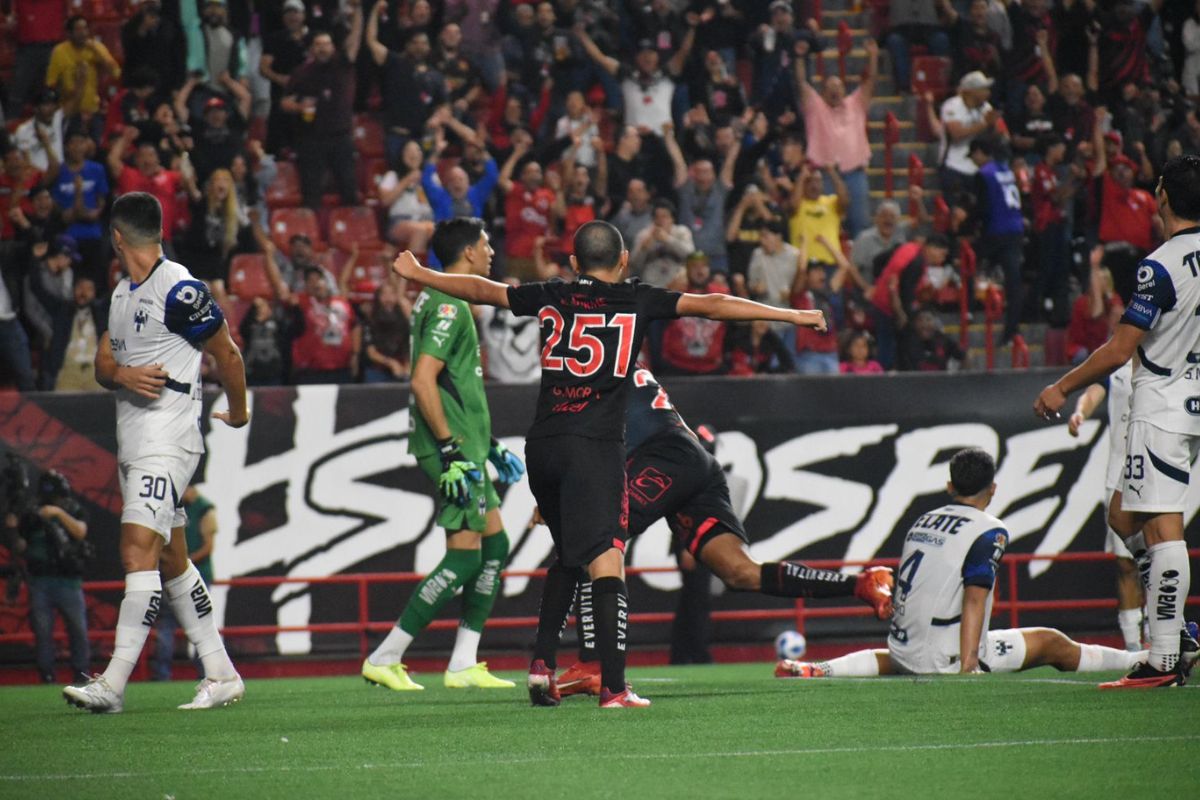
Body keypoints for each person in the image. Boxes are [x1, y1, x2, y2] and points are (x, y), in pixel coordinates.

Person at [391, 220, 828, 708]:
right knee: (607, 560)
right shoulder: (635, 299)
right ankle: (615, 689)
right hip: (593, 445)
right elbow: (715, 305)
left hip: (543, 444)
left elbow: (481, 289)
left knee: (567, 557)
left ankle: (541, 667)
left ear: (574, 264)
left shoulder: (552, 293)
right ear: (623, 261)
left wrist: (420, 273)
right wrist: (792, 314)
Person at [535, 367, 894, 696]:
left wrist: (557, 494)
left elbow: (591, 447)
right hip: (692, 462)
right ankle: (861, 584)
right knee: (741, 571)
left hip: (663, 457)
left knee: (595, 540)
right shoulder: (617, 356)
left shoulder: (592, 371)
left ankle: (592, 663)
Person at [63, 192, 249, 713]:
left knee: (136, 548)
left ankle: (113, 684)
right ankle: (222, 672)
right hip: (135, 438)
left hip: (167, 438)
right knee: (171, 557)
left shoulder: (180, 289)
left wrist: (238, 410)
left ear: (118, 237)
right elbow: (105, 362)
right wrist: (121, 374)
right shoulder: (123, 293)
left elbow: (227, 352)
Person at [1034, 155, 1200, 688]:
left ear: (1163, 198)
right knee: (1123, 518)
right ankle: (1178, 634)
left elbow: (1120, 348)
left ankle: (1163, 659)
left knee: (1160, 526)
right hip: (1193, 401)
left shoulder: (1161, 266)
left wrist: (1063, 385)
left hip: (1165, 405)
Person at [775, 448, 1153, 680]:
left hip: (903, 646)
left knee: (905, 660)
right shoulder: (990, 529)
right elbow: (975, 597)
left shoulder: (922, 520)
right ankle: (1142, 658)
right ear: (993, 489)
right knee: (1052, 644)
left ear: (950, 486)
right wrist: (969, 665)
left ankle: (821, 669)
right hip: (950, 654)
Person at [363, 219, 522, 692]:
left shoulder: (442, 298)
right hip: (451, 450)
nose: (492, 251)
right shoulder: (451, 304)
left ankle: (463, 662)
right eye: (487, 244)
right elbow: (422, 379)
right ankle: (385, 655)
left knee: (494, 545)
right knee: (465, 558)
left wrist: (487, 445)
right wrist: (453, 450)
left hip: (467, 445)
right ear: (469, 253)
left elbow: (456, 385)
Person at [5, 469, 91, 683]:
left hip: (69, 581)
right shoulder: (32, 514)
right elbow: (21, 546)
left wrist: (58, 513)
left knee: (78, 630)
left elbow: (80, 532)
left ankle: (81, 673)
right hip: (40, 581)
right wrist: (13, 529)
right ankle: (47, 674)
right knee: (43, 632)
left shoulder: (73, 509)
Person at [281, 8, 364, 210]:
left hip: (340, 136)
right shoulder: (301, 73)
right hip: (311, 138)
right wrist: (300, 107)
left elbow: (354, 39)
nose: (323, 48)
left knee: (348, 188)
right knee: (311, 192)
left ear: (333, 47)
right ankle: (310, 234)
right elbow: (284, 103)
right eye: (318, 45)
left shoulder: (342, 64)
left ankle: (352, 231)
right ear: (311, 49)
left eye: (326, 44)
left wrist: (359, 11)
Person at [152, 484, 218, 681]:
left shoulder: (205, 509)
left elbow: (208, 546)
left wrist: (183, 562)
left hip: (197, 573)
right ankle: (162, 673)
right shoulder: (174, 508)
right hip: (174, 572)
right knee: (169, 622)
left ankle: (207, 671)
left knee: (198, 621)